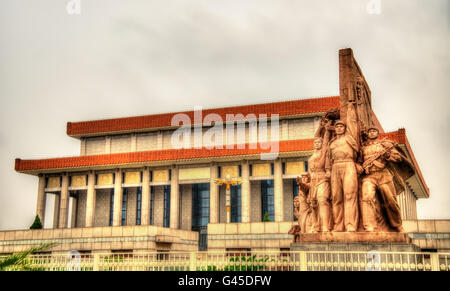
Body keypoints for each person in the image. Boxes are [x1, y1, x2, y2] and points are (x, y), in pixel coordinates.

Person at [360, 126, 413, 232]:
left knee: (390, 200)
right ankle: (369, 225)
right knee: (366, 198)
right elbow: (359, 162)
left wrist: (388, 155)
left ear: (377, 133)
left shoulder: (385, 144)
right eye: (370, 131)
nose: (372, 133)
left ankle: (397, 225)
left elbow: (398, 157)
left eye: (374, 131)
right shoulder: (363, 148)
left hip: (384, 174)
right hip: (369, 176)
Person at [326, 100, 360, 232]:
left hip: (348, 165)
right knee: (336, 197)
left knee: (349, 195)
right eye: (337, 127)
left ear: (345, 128)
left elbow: (358, 152)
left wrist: (351, 107)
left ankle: (350, 225)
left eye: (341, 126)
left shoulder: (349, 138)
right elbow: (329, 159)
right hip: (335, 167)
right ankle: (338, 225)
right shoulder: (332, 142)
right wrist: (328, 170)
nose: (339, 128)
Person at [308, 119, 333, 232]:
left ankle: (325, 226)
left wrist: (327, 129)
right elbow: (316, 135)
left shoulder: (324, 152)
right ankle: (315, 225)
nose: (317, 144)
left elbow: (326, 139)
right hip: (313, 180)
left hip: (322, 178)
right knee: (313, 204)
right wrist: (320, 126)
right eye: (316, 143)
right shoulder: (313, 155)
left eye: (319, 142)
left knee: (322, 200)